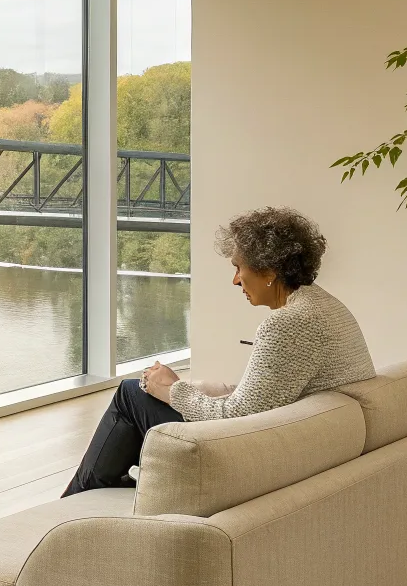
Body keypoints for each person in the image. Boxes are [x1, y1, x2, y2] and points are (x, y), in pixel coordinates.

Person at [63, 206, 376, 497]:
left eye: (239, 267)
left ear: (269, 271)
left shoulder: (287, 324)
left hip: (259, 459)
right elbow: (267, 398)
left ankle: (75, 500)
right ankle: (114, 488)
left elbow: (238, 417)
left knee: (131, 395)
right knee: (121, 447)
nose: (235, 280)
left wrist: (173, 390)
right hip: (302, 446)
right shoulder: (326, 306)